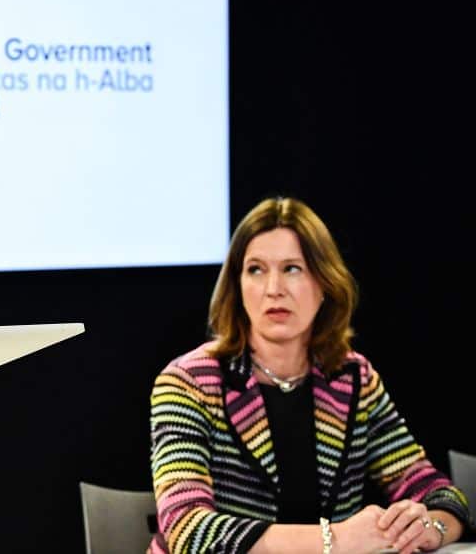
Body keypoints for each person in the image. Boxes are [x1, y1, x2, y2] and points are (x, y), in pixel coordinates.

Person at [149, 197, 471, 554]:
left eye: (293, 269)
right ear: (237, 286)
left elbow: (435, 490)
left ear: (325, 284)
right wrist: (337, 539)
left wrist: (430, 527)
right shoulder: (188, 382)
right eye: (255, 269)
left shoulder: (352, 377)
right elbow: (187, 530)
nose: (274, 288)